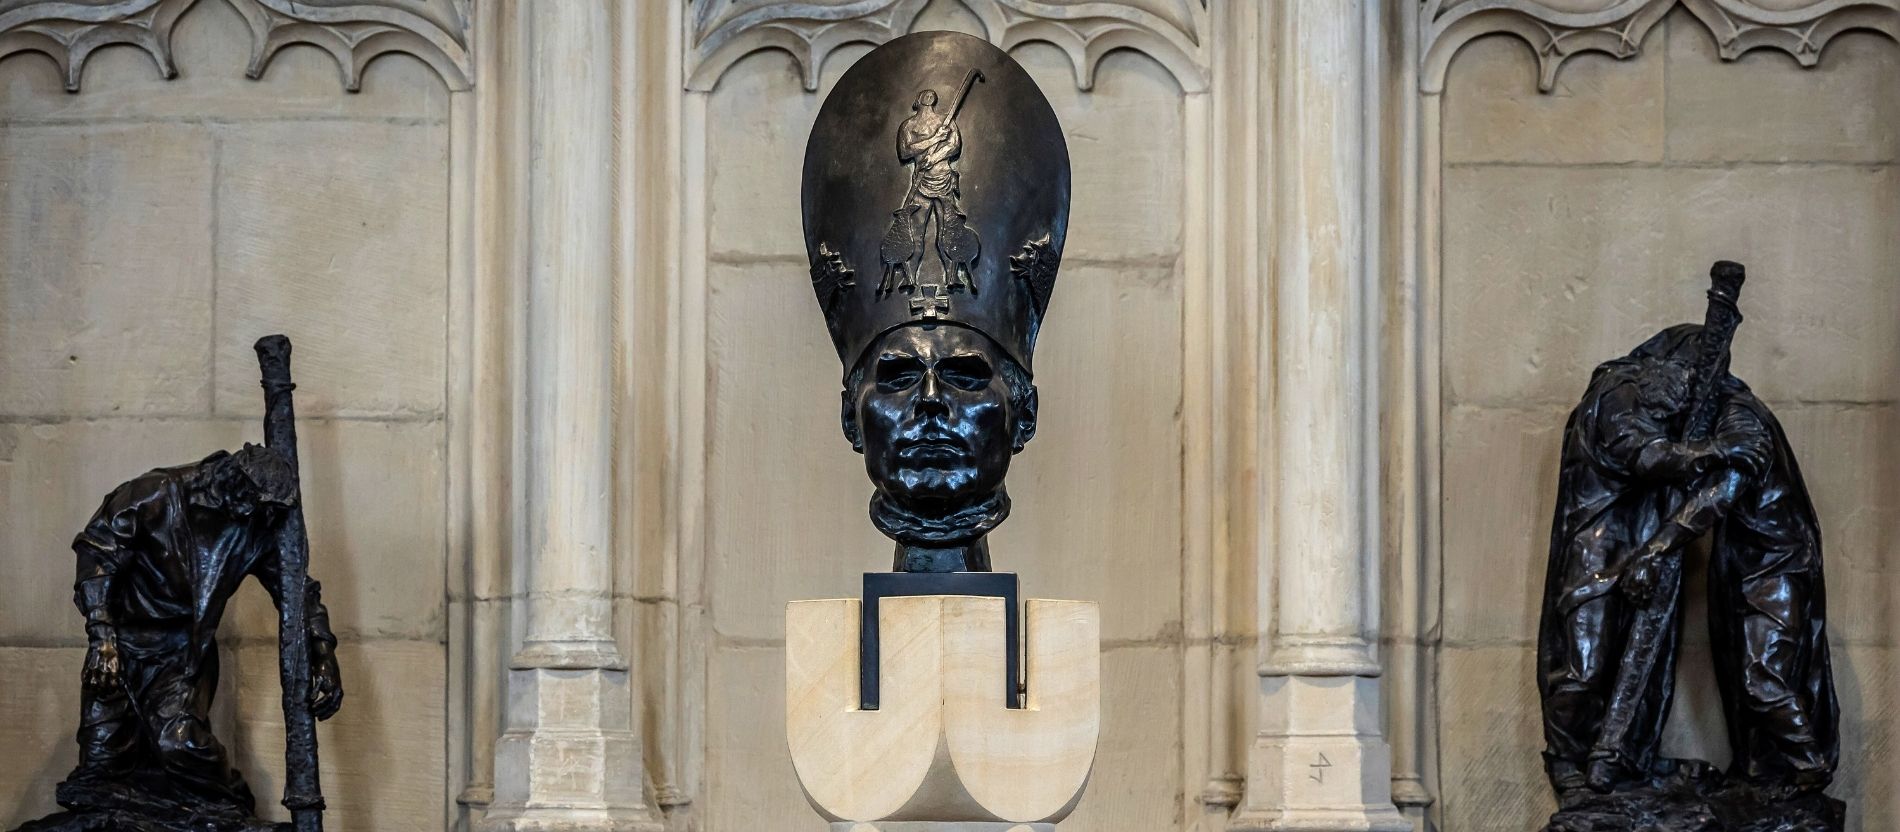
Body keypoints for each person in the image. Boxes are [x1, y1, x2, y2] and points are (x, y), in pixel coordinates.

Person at [1539, 325, 1837, 801]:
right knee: (1585, 667)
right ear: (1666, 369)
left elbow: (1719, 495)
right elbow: (1647, 455)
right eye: (1679, 393)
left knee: (1760, 676)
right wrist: (1711, 451)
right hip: (1598, 549)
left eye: (1691, 396)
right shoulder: (1618, 393)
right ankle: (1571, 763)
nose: (1677, 410)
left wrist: (1656, 547)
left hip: (1766, 564)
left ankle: (1805, 769)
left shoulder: (1743, 419)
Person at [62, 443, 343, 814]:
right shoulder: (155, 493)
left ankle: (227, 808)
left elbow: (295, 590)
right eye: (253, 504)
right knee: (99, 766)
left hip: (182, 657)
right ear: (232, 484)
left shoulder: (253, 527)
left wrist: (323, 650)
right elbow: (97, 552)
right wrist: (102, 637)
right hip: (119, 645)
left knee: (181, 744)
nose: (256, 516)